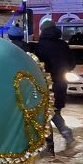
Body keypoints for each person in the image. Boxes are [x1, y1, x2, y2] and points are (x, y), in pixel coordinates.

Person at [26, 20, 75, 156]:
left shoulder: (40, 46)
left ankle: (54, 143)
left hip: (45, 84)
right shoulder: (63, 44)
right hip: (61, 83)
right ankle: (63, 138)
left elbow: (36, 66)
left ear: (43, 30)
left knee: (46, 114)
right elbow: (72, 64)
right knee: (54, 112)